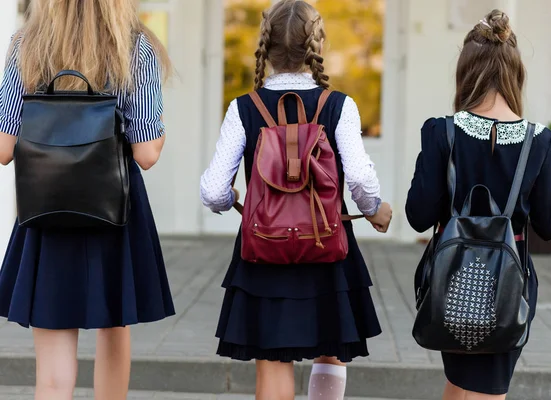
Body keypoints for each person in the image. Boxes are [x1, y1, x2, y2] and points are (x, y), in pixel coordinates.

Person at [200, 1, 392, 398]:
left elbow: (213, 190)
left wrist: (230, 199)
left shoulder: (244, 108)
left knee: (273, 361)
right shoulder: (340, 106)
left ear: (265, 46)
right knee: (331, 348)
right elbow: (358, 177)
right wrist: (374, 210)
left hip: (264, 253)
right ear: (316, 45)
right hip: (327, 248)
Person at [0, 1, 175, 399]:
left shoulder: (25, 43)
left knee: (53, 362)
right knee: (114, 325)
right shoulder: (135, 47)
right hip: (114, 207)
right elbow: (146, 153)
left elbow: (4, 148)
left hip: (46, 206)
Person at [406, 10, 551, 400]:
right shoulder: (542, 142)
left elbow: (418, 215)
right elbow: (549, 224)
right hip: (508, 291)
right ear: (516, 74)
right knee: (483, 390)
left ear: (465, 72)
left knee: (462, 384)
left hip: (449, 285)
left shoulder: (441, 132)